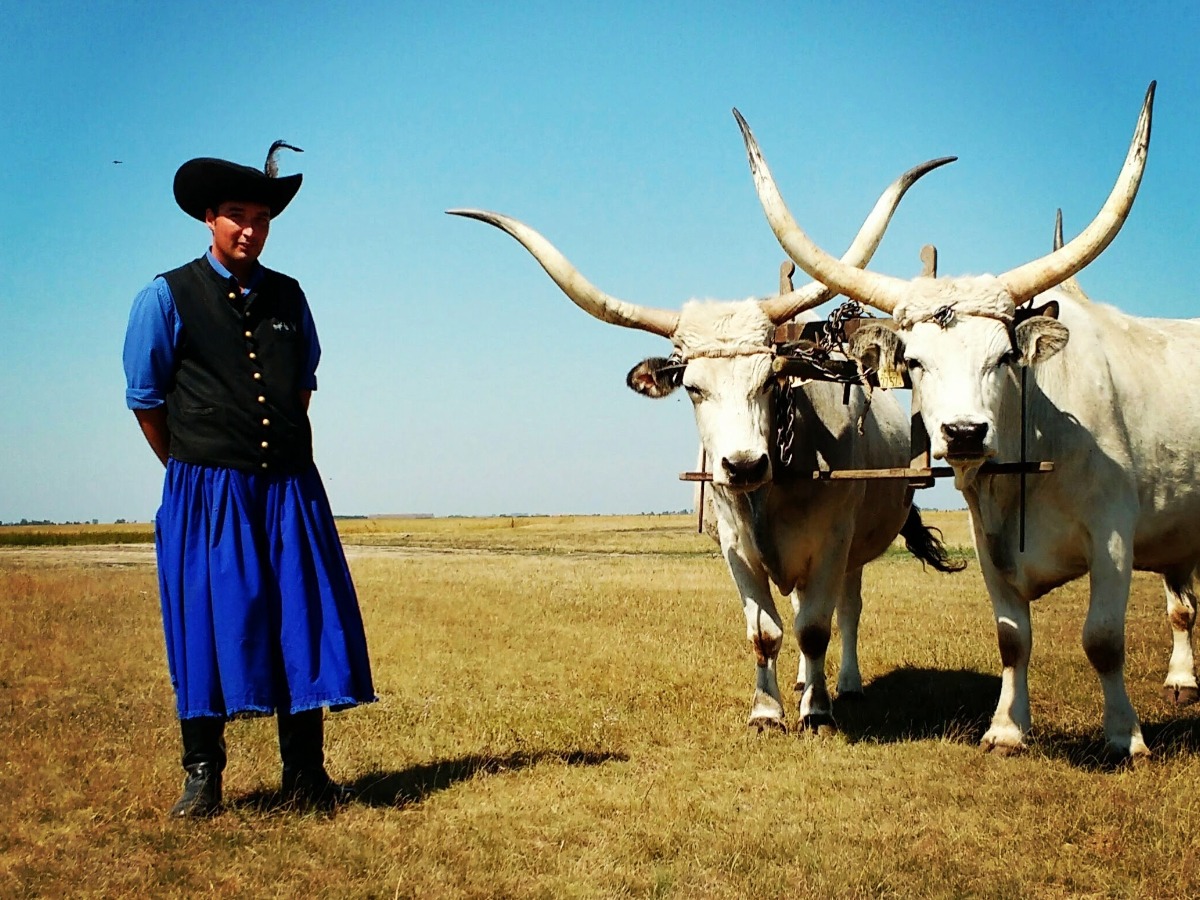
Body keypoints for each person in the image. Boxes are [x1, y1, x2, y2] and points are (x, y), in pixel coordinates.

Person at [122, 142, 376, 818]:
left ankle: (306, 776)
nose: (250, 230)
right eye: (237, 215)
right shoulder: (166, 295)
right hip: (207, 493)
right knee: (207, 626)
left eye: (261, 219)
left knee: (301, 620)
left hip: (289, 488)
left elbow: (301, 387)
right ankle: (203, 777)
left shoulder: (289, 296)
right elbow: (145, 400)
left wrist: (275, 455)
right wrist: (189, 466)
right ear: (209, 218)